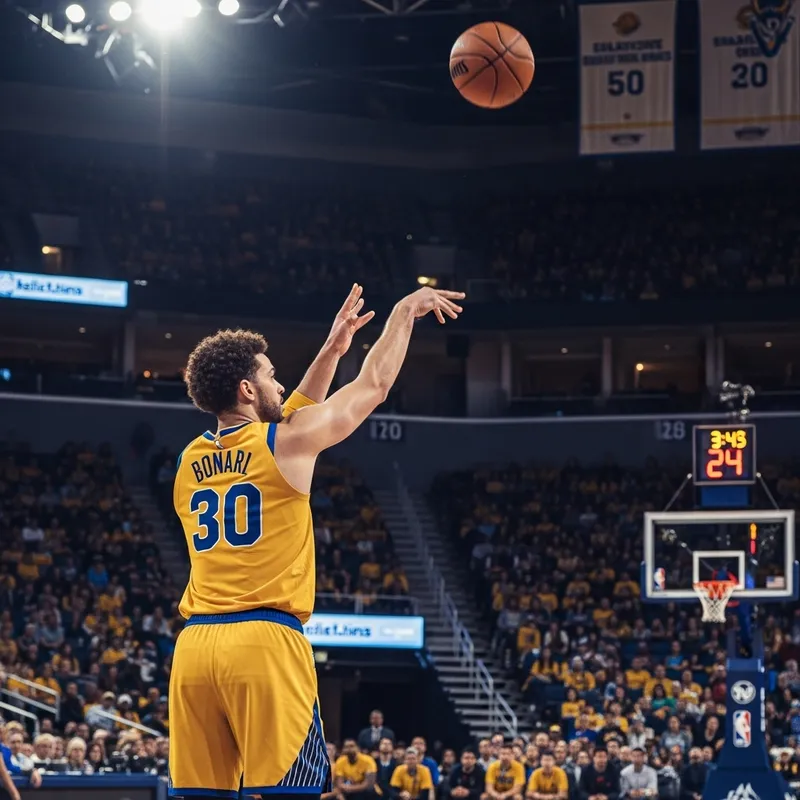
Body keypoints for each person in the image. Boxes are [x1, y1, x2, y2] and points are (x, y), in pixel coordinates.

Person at [168, 285, 465, 800]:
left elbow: (289, 416)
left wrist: (331, 350)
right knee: (294, 792)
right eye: (270, 376)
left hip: (194, 649)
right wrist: (402, 314)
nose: (280, 385)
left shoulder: (188, 461)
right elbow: (372, 385)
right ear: (245, 389)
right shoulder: (287, 442)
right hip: (264, 641)